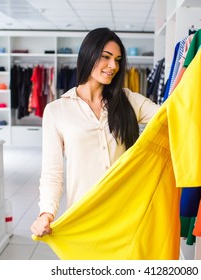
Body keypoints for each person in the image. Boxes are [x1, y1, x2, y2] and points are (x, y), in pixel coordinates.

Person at [31, 27, 160, 237]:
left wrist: (196, 71)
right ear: (88, 55)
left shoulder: (128, 100)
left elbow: (171, 115)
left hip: (127, 213)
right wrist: (46, 213)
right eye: (106, 57)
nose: (113, 66)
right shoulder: (57, 110)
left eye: (118, 60)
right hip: (84, 215)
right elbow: (52, 173)